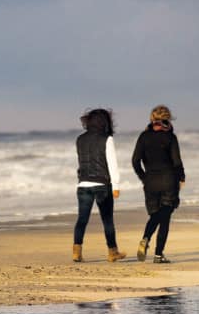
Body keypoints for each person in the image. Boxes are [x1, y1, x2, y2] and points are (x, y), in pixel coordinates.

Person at [131, 105, 185, 264]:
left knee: (155, 215)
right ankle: (158, 255)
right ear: (167, 119)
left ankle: (146, 238)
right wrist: (181, 177)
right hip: (168, 180)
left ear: (152, 118)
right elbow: (176, 161)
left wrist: (143, 177)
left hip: (151, 182)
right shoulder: (170, 137)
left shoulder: (143, 137)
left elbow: (135, 161)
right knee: (165, 217)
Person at [73, 108, 126, 263]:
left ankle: (77, 252)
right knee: (107, 220)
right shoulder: (107, 139)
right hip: (102, 185)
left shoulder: (80, 139)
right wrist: (115, 185)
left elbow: (81, 162)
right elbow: (112, 163)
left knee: (82, 219)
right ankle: (112, 252)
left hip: (83, 185)